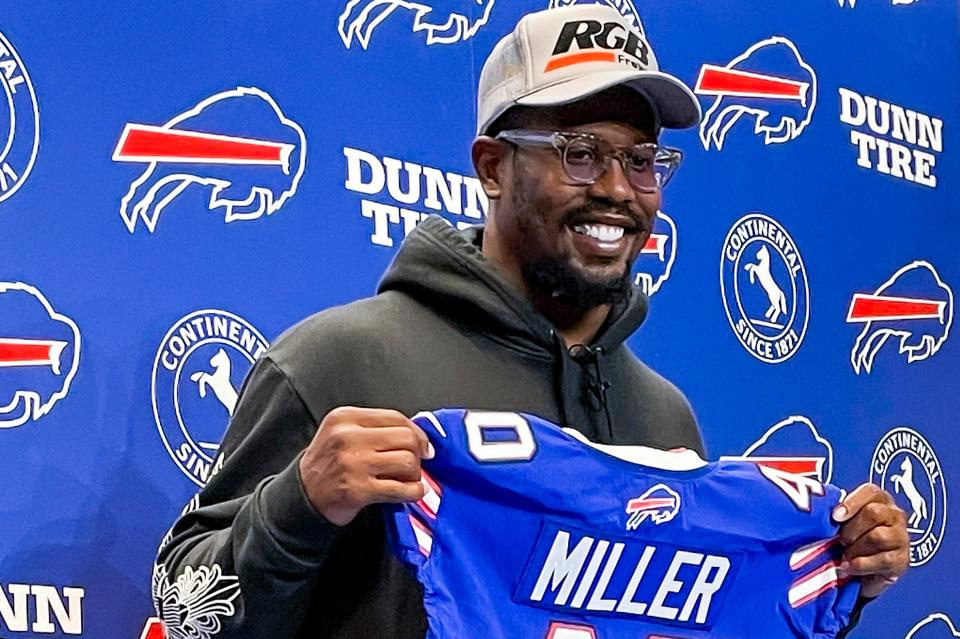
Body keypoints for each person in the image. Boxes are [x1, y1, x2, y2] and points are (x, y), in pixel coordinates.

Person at [152, 5, 908, 639]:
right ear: (491, 165)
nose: (618, 189)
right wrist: (299, 504)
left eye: (643, 160)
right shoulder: (338, 360)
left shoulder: (663, 413)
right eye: (580, 152)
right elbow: (184, 618)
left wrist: (840, 570)